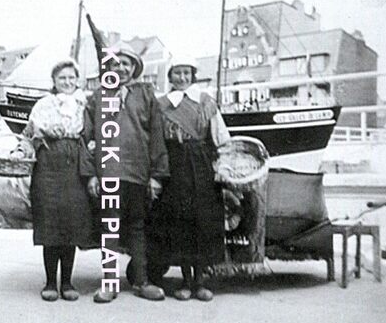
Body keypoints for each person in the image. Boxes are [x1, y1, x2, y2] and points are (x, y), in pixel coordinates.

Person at [81, 42, 169, 303]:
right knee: (109, 227)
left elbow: (157, 136)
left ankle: (141, 282)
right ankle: (109, 284)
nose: (120, 68)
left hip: (138, 172)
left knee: (137, 228)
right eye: (115, 64)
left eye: (126, 64)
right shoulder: (97, 97)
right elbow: (86, 137)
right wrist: (91, 174)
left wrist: (156, 176)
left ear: (134, 69)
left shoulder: (146, 95)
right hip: (108, 172)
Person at [149, 57, 231, 301]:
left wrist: (222, 167)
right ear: (170, 76)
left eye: (186, 73)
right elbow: (156, 140)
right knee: (180, 223)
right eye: (177, 73)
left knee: (202, 222)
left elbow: (221, 138)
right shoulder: (161, 105)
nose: (182, 77)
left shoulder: (205, 102)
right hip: (174, 167)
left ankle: (201, 282)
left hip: (202, 166)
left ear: (193, 75)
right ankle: (185, 281)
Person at [22, 59, 95, 302]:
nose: (67, 82)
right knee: (50, 222)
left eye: (71, 77)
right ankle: (50, 282)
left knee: (71, 223)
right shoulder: (43, 104)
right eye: (62, 78)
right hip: (48, 165)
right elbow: (28, 134)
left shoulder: (84, 104)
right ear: (54, 80)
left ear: (77, 80)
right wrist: (44, 132)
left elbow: (91, 132)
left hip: (75, 166)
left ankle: (67, 282)